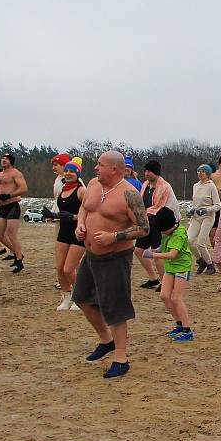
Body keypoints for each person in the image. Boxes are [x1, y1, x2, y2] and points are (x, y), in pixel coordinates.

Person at [73, 151, 149, 379]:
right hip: (90, 254)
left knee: (115, 309)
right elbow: (85, 208)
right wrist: (81, 225)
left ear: (114, 169)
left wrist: (114, 237)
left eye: (100, 164)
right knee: (82, 297)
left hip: (115, 257)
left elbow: (144, 228)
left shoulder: (130, 194)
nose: (95, 168)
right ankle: (106, 341)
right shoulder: (93, 185)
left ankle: (121, 358)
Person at [143, 207, 194, 341]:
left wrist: (153, 255)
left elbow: (172, 254)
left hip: (181, 267)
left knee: (177, 298)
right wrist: (160, 247)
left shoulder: (178, 234)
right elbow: (168, 245)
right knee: (164, 295)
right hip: (170, 267)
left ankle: (187, 330)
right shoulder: (167, 231)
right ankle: (179, 323)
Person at [46, 160, 86, 311]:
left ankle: (79, 296)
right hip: (64, 230)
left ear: (78, 174)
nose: (68, 174)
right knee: (59, 267)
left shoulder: (81, 191)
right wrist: (52, 215)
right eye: (67, 171)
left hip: (78, 232)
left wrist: (73, 217)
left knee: (69, 268)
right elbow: (61, 211)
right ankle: (66, 296)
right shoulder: (62, 189)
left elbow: (88, 212)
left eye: (72, 171)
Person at [134, 160, 179, 290]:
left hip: (159, 223)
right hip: (147, 222)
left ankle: (165, 282)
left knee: (156, 252)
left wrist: (142, 212)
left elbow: (159, 206)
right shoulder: (145, 185)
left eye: (149, 171)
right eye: (146, 171)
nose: (146, 174)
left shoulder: (164, 186)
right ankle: (153, 278)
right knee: (138, 251)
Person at [0, 152, 28, 272]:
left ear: (11, 161)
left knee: (12, 234)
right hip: (2, 207)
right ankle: (17, 253)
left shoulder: (16, 173)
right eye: (3, 158)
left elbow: (24, 188)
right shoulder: (0, 174)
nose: (4, 160)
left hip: (12, 206)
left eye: (7, 159)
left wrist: (10, 195)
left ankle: (19, 261)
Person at [189, 164, 219, 274]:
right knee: (189, 240)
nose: (200, 173)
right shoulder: (195, 186)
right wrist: (192, 210)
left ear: (207, 174)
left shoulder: (211, 186)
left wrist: (207, 210)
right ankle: (201, 260)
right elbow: (195, 202)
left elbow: (217, 205)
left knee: (200, 242)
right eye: (199, 171)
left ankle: (210, 264)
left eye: (203, 171)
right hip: (196, 217)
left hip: (207, 216)